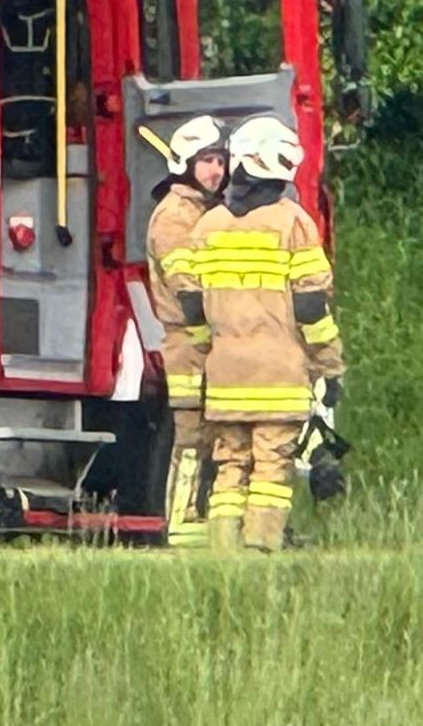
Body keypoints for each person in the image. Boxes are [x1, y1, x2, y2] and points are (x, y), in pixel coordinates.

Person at [164, 115, 340, 552]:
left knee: (229, 467)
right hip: (278, 375)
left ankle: (224, 553)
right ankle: (261, 550)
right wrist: (329, 365)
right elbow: (311, 306)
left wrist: (210, 349)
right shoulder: (294, 222)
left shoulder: (207, 227)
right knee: (270, 469)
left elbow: (191, 305)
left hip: (224, 376)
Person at [141, 117, 232, 550]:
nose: (216, 170)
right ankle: (180, 527)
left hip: (211, 344)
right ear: (184, 163)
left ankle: (208, 526)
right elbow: (188, 289)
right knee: (192, 439)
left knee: (214, 438)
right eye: (208, 161)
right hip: (188, 344)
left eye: (220, 161)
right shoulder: (175, 217)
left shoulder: (209, 213)